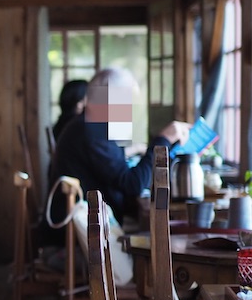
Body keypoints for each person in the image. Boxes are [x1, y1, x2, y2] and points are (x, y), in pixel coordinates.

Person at [48, 66, 190, 227]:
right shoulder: (90, 129)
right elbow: (133, 185)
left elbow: (124, 180)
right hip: (79, 236)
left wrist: (171, 147)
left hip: (92, 225)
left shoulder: (90, 125)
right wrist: (163, 140)